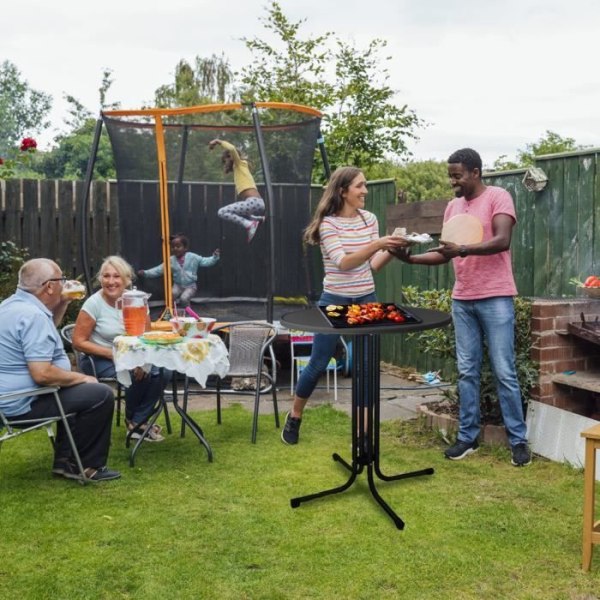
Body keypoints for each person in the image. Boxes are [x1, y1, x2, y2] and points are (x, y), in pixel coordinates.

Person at [391, 147, 531, 467]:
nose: (453, 182)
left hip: (496, 296)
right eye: (450, 176)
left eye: (457, 175)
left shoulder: (498, 197)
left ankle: (518, 441)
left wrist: (463, 248)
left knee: (504, 370)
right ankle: (468, 438)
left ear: (475, 172)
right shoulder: (453, 207)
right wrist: (409, 258)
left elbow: (502, 240)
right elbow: (445, 253)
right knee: (467, 371)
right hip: (462, 299)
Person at [281, 166, 409, 445]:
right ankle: (295, 416)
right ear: (343, 191)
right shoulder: (328, 224)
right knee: (317, 363)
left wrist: (393, 251)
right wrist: (377, 244)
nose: (365, 191)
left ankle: (362, 433)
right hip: (335, 300)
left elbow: (371, 266)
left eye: (365, 185)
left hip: (365, 299)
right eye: (359, 186)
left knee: (365, 367)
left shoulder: (369, 219)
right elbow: (344, 262)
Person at [0, 258, 120, 482]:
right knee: (99, 394)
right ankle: (85, 466)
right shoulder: (33, 316)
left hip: (7, 398)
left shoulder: (11, 306)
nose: (65, 283)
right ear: (49, 286)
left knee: (76, 390)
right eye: (61, 279)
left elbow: (42, 335)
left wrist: (63, 303)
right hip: (21, 403)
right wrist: (81, 377)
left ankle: (65, 462)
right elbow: (42, 373)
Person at [72, 255, 165, 442]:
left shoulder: (138, 301)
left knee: (163, 370)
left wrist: (142, 360)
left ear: (127, 280)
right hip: (99, 358)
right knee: (135, 373)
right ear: (100, 279)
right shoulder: (94, 303)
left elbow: (146, 337)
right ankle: (138, 424)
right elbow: (78, 341)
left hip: (133, 355)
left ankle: (136, 421)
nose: (111, 281)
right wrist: (113, 354)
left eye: (117, 277)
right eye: (106, 276)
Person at [138, 233, 220, 308]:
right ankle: (171, 311)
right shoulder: (171, 260)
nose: (175, 249)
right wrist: (146, 273)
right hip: (177, 285)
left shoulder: (193, 257)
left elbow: (205, 261)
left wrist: (214, 257)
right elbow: (159, 270)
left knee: (184, 299)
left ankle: (188, 313)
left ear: (185, 248)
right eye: (173, 247)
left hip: (190, 286)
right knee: (171, 296)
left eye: (178, 246)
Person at [208, 138, 265, 242]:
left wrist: (217, 141)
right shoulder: (238, 169)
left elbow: (232, 148)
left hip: (254, 202)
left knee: (222, 212)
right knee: (239, 211)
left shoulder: (239, 163)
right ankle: (257, 219)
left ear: (230, 157)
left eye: (225, 160)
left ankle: (249, 224)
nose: (225, 164)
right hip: (255, 203)